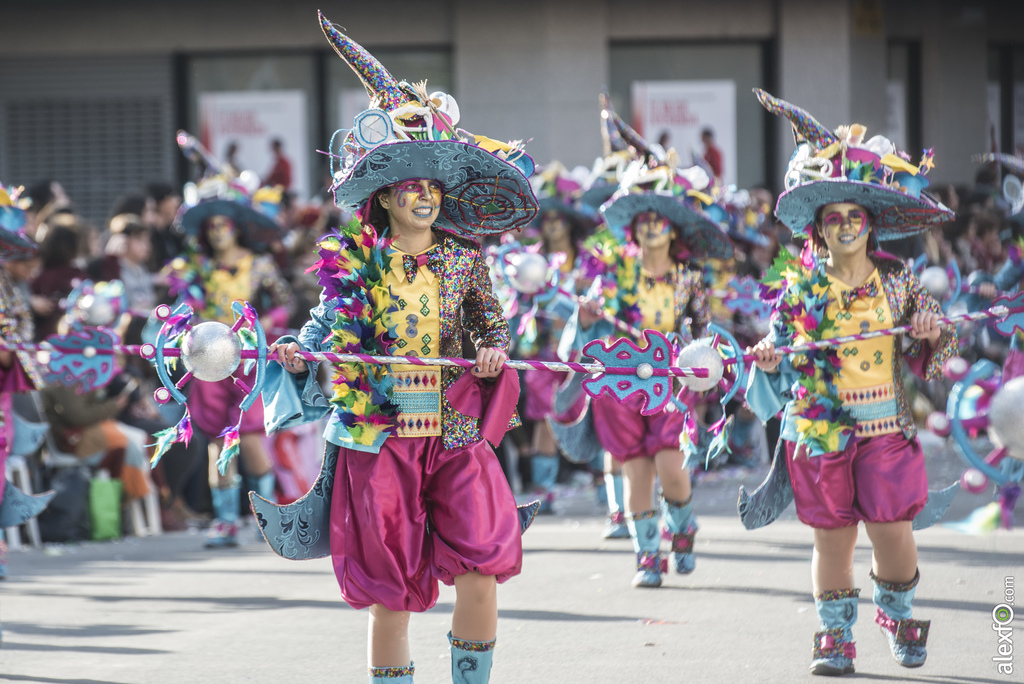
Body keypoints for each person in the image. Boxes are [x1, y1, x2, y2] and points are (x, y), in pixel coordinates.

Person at [259, 16, 539, 683]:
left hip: (453, 426)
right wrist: (299, 351)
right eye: (410, 181)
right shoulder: (356, 263)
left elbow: (488, 321)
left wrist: (494, 349)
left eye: (433, 182)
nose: (424, 192)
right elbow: (325, 325)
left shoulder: (464, 261)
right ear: (383, 193)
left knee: (481, 565)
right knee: (388, 590)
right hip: (376, 434)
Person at [743, 90, 957, 676]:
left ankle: (895, 611)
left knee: (892, 535)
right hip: (819, 430)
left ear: (871, 224)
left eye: (854, 216)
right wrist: (766, 358)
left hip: (885, 425)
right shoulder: (798, 290)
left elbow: (935, 352)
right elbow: (778, 360)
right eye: (831, 217)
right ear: (817, 227)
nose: (843, 225)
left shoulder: (899, 280)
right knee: (831, 541)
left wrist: (929, 332)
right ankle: (836, 637)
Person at [570, 155, 733, 589]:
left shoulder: (689, 278)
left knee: (671, 468)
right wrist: (587, 317)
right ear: (633, 228)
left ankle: (682, 526)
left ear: (672, 227)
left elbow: (703, 334)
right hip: (622, 384)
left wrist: (704, 367)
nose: (649, 227)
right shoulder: (613, 273)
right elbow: (591, 319)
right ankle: (646, 556)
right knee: (636, 470)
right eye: (642, 221)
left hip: (671, 382)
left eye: (658, 220)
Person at [166, 173, 292, 548]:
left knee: (250, 436)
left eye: (224, 224)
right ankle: (224, 521)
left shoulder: (260, 264)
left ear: (236, 226)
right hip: (207, 360)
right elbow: (183, 309)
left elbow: (285, 302)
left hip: (249, 360)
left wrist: (265, 322)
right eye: (212, 226)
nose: (219, 231)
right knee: (218, 440)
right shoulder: (197, 268)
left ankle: (264, 513)